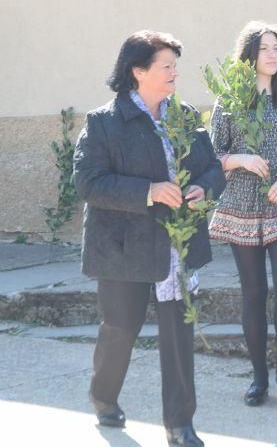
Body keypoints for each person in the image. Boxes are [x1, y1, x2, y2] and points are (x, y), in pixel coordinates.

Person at [74, 30, 225, 446]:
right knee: (120, 328)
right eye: (167, 66)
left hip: (177, 246)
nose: (175, 73)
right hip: (122, 249)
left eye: (175, 65)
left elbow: (212, 169)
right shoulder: (104, 122)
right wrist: (149, 191)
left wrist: (202, 190)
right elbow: (87, 182)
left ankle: (180, 424)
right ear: (138, 71)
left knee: (178, 336)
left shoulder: (186, 116)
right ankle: (103, 397)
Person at [209, 22, 277, 406]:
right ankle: (259, 376)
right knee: (253, 292)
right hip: (241, 205)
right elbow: (211, 156)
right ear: (249, 55)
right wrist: (240, 159)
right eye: (264, 48)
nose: (272, 55)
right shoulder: (230, 101)